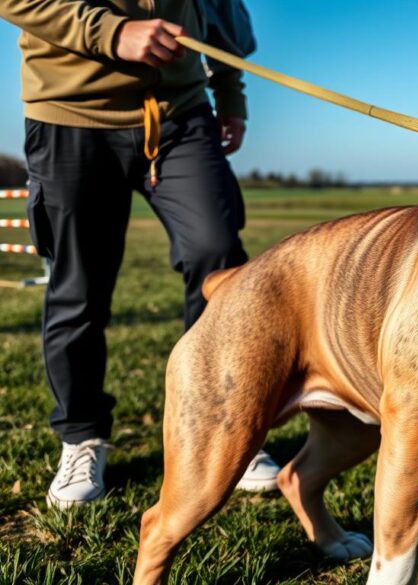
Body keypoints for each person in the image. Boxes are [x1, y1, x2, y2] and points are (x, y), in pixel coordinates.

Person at [0, 0, 281, 508]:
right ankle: (82, 437)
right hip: (71, 116)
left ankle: (222, 427)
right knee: (79, 286)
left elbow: (217, 10)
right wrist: (113, 32)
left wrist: (231, 97)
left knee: (219, 256)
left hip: (180, 115)